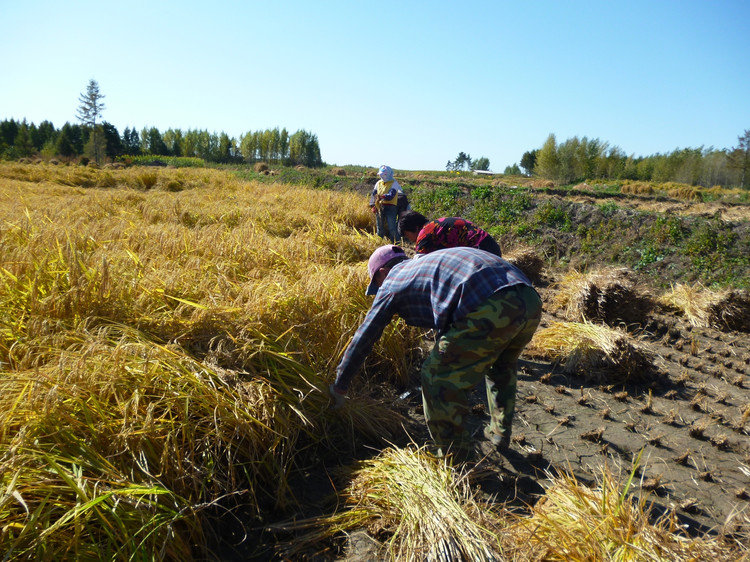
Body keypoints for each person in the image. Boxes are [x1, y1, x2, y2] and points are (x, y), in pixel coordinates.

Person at [329, 244, 542, 462]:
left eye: (376, 284)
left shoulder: (392, 281)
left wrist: (340, 384)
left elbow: (364, 336)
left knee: (436, 375)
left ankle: (455, 460)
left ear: (382, 273)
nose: (378, 290)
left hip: (492, 304)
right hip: (529, 298)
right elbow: (452, 310)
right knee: (501, 366)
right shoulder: (425, 263)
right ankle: (499, 433)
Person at [397, 211, 502, 257]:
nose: (410, 240)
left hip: (481, 251)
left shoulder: (425, 233)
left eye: (407, 235)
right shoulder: (435, 226)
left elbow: (419, 266)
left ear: (415, 227)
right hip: (490, 247)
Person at [369, 165, 403, 243]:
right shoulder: (378, 183)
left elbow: (391, 195)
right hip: (380, 207)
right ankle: (378, 242)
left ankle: (396, 243)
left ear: (389, 174)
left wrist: (382, 196)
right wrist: (373, 205)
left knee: (392, 227)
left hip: (390, 207)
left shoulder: (394, 183)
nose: (383, 176)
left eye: (384, 174)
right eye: (381, 174)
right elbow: (373, 194)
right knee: (379, 227)